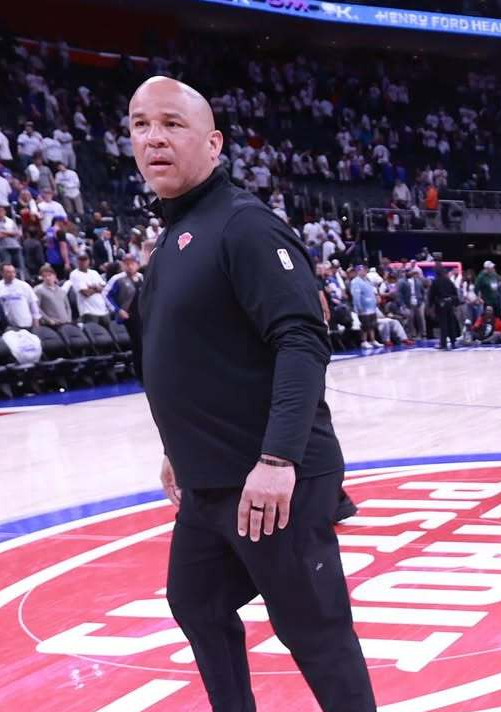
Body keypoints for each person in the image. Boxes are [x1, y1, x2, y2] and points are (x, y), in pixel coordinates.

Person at [132, 76, 375, 712]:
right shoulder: (176, 234)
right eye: (140, 125)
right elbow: (193, 355)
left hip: (271, 480)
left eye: (172, 124)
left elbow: (302, 340)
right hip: (209, 481)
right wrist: (175, 448)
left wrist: (277, 459)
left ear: (213, 143)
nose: (154, 138)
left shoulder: (243, 225)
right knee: (197, 602)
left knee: (315, 632)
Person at [0, 263, 40, 330]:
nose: (12, 274)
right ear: (2, 273)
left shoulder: (24, 285)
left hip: (26, 323)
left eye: (13, 272)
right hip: (8, 325)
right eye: (8, 272)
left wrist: (36, 322)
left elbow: (33, 304)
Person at [68, 252, 110, 326]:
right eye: (80, 260)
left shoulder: (94, 272)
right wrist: (97, 288)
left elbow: (105, 289)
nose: (83, 262)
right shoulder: (75, 274)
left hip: (103, 310)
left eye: (85, 260)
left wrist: (91, 287)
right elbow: (86, 293)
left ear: (88, 261)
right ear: (77, 261)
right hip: (88, 312)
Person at [349, 265, 382, 350]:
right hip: (363, 308)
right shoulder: (355, 282)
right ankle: (364, 341)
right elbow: (356, 296)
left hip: (371, 307)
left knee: (372, 325)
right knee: (365, 326)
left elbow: (372, 291)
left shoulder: (367, 280)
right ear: (358, 271)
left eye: (365, 270)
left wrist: (375, 301)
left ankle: (373, 340)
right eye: (362, 270)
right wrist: (358, 306)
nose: (364, 272)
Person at [428, 262, 459, 349]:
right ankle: (453, 342)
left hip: (441, 304)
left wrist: (430, 306)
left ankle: (443, 344)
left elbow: (431, 295)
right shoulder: (448, 280)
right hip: (449, 303)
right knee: (451, 323)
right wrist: (455, 303)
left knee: (443, 324)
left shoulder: (436, 281)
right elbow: (455, 292)